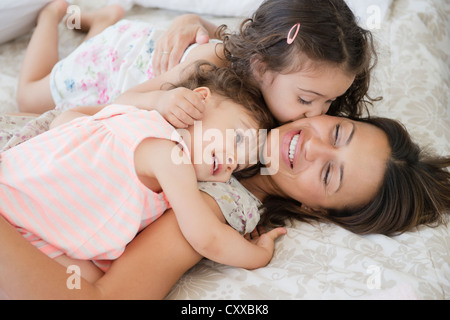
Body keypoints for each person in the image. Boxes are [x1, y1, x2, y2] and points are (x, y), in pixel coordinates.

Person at [0, 113, 448, 299]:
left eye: (329, 174)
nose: (312, 147)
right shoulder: (253, 107)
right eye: (336, 132)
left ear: (316, 211)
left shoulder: (222, 206)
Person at [1, 61, 286, 273]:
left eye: (239, 165)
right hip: (24, 226)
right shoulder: (171, 158)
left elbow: (62, 121)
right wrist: (259, 254)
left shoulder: (130, 114)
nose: (232, 161)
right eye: (237, 137)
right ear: (200, 98)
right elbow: (207, 238)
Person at [17, 0, 378, 127]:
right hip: (117, 64)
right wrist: (160, 102)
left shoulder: (275, 64)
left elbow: (223, 34)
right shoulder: (206, 67)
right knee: (29, 98)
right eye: (307, 99)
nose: (317, 114)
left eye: (328, 101)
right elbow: (122, 101)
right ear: (261, 67)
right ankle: (52, 15)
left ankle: (101, 21)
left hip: (144, 43)